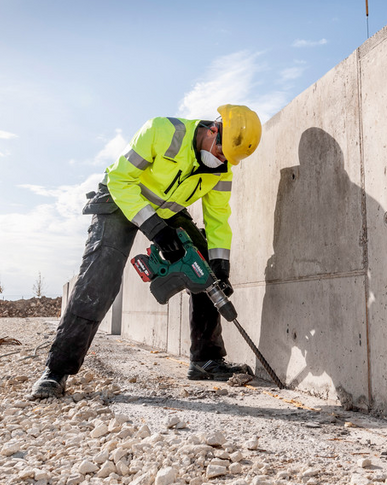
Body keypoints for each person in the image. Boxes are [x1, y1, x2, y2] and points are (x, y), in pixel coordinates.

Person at [30, 104, 262, 400]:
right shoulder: (162, 131)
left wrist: (220, 267)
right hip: (118, 198)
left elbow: (218, 219)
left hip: (168, 211)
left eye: (228, 158)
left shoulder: (222, 169)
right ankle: (56, 370)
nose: (221, 160)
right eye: (221, 151)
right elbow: (121, 180)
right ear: (214, 129)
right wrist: (155, 228)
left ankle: (206, 359)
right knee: (100, 278)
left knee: (203, 267)